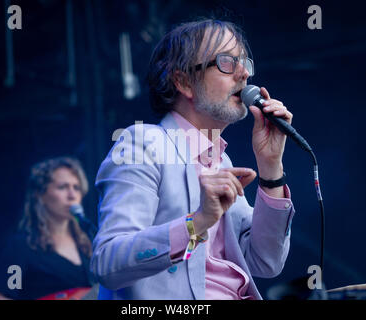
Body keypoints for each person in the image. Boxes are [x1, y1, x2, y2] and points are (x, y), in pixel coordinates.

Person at [91, 19, 296, 300]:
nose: (243, 74)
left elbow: (267, 261)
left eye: (244, 62)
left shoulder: (221, 162)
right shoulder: (144, 143)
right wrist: (197, 223)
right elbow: (107, 262)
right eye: (226, 62)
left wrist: (271, 167)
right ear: (184, 81)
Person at [0, 157, 97, 300]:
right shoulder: (24, 246)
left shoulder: (88, 243)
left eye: (76, 188)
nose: (72, 195)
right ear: (40, 194)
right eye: (62, 187)